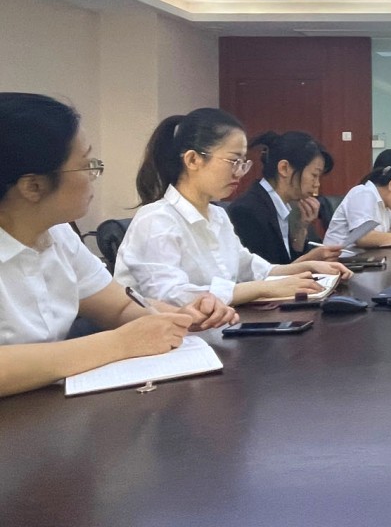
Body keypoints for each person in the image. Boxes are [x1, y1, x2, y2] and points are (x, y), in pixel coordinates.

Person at [0, 93, 237, 398]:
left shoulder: (58, 235)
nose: (94, 175)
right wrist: (118, 343)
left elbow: (119, 306)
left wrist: (179, 316)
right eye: (86, 165)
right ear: (33, 186)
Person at [116, 108, 352, 306]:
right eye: (233, 161)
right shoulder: (156, 220)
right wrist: (263, 289)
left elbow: (251, 268)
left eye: (243, 162)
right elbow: (168, 296)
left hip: (221, 329)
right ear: (193, 160)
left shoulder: (217, 215)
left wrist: (309, 267)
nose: (240, 172)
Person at [227, 131, 344, 265]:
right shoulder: (247, 210)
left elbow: (288, 260)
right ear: (284, 168)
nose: (317, 184)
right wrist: (312, 259)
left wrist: (301, 227)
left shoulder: (281, 205)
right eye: (314, 175)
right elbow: (264, 273)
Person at [324, 163, 391, 250]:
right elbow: (363, 237)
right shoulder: (364, 193)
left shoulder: (386, 205)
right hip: (338, 261)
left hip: (362, 261)